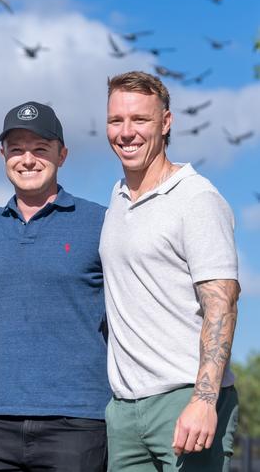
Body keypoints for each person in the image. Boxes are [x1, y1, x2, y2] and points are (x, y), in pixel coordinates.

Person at [101, 71, 240, 471]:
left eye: (139, 120)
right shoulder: (118, 198)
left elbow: (222, 304)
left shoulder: (196, 198)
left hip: (184, 403)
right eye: (116, 120)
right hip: (125, 412)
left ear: (165, 123)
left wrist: (203, 400)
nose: (126, 132)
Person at [0, 101, 111, 472]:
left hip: (79, 423)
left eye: (40, 148)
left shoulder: (102, 223)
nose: (27, 159)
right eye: (16, 149)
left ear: (62, 154)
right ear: (3, 155)